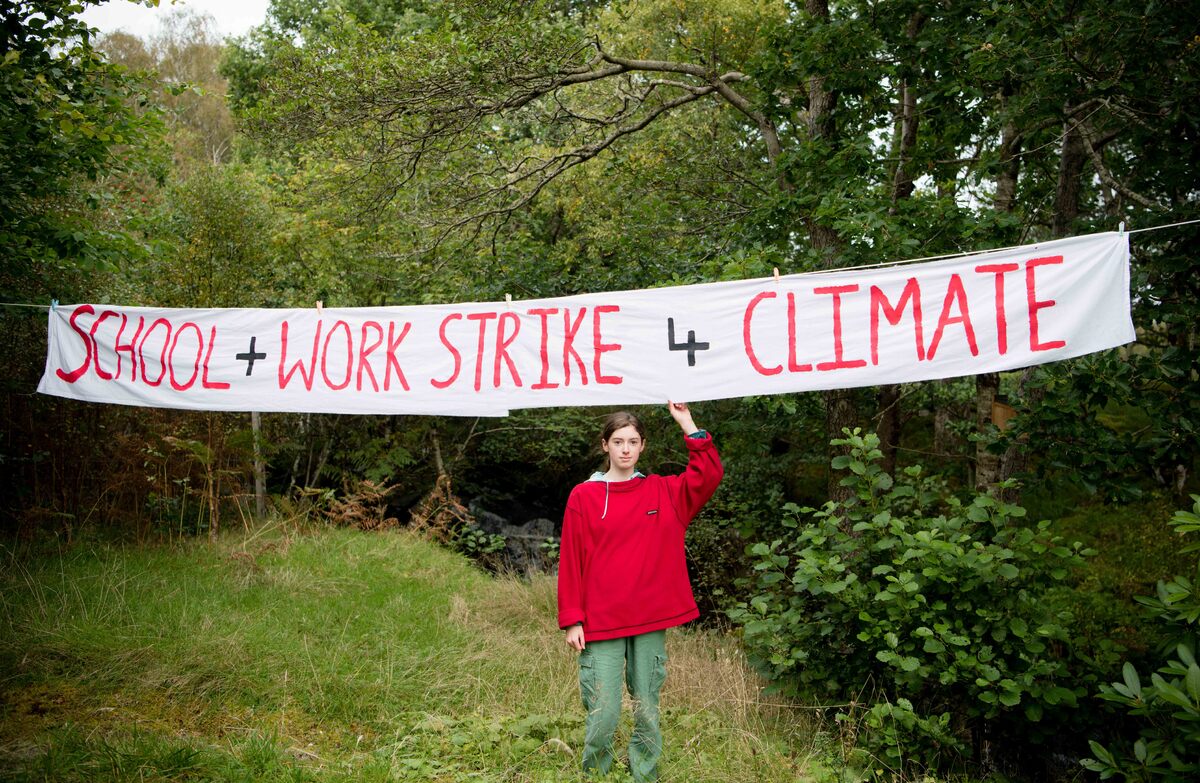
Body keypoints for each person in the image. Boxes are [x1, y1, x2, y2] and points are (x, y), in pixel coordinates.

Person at [557, 402, 723, 781]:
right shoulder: (584, 496)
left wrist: (686, 421)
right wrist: (572, 619)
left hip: (649, 618)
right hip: (600, 620)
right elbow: (571, 559)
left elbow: (708, 474)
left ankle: (644, 773)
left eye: (633, 441)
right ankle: (596, 773)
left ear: (643, 446)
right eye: (618, 441)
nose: (626, 449)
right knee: (604, 710)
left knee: (647, 705)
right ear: (605, 446)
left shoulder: (663, 492)